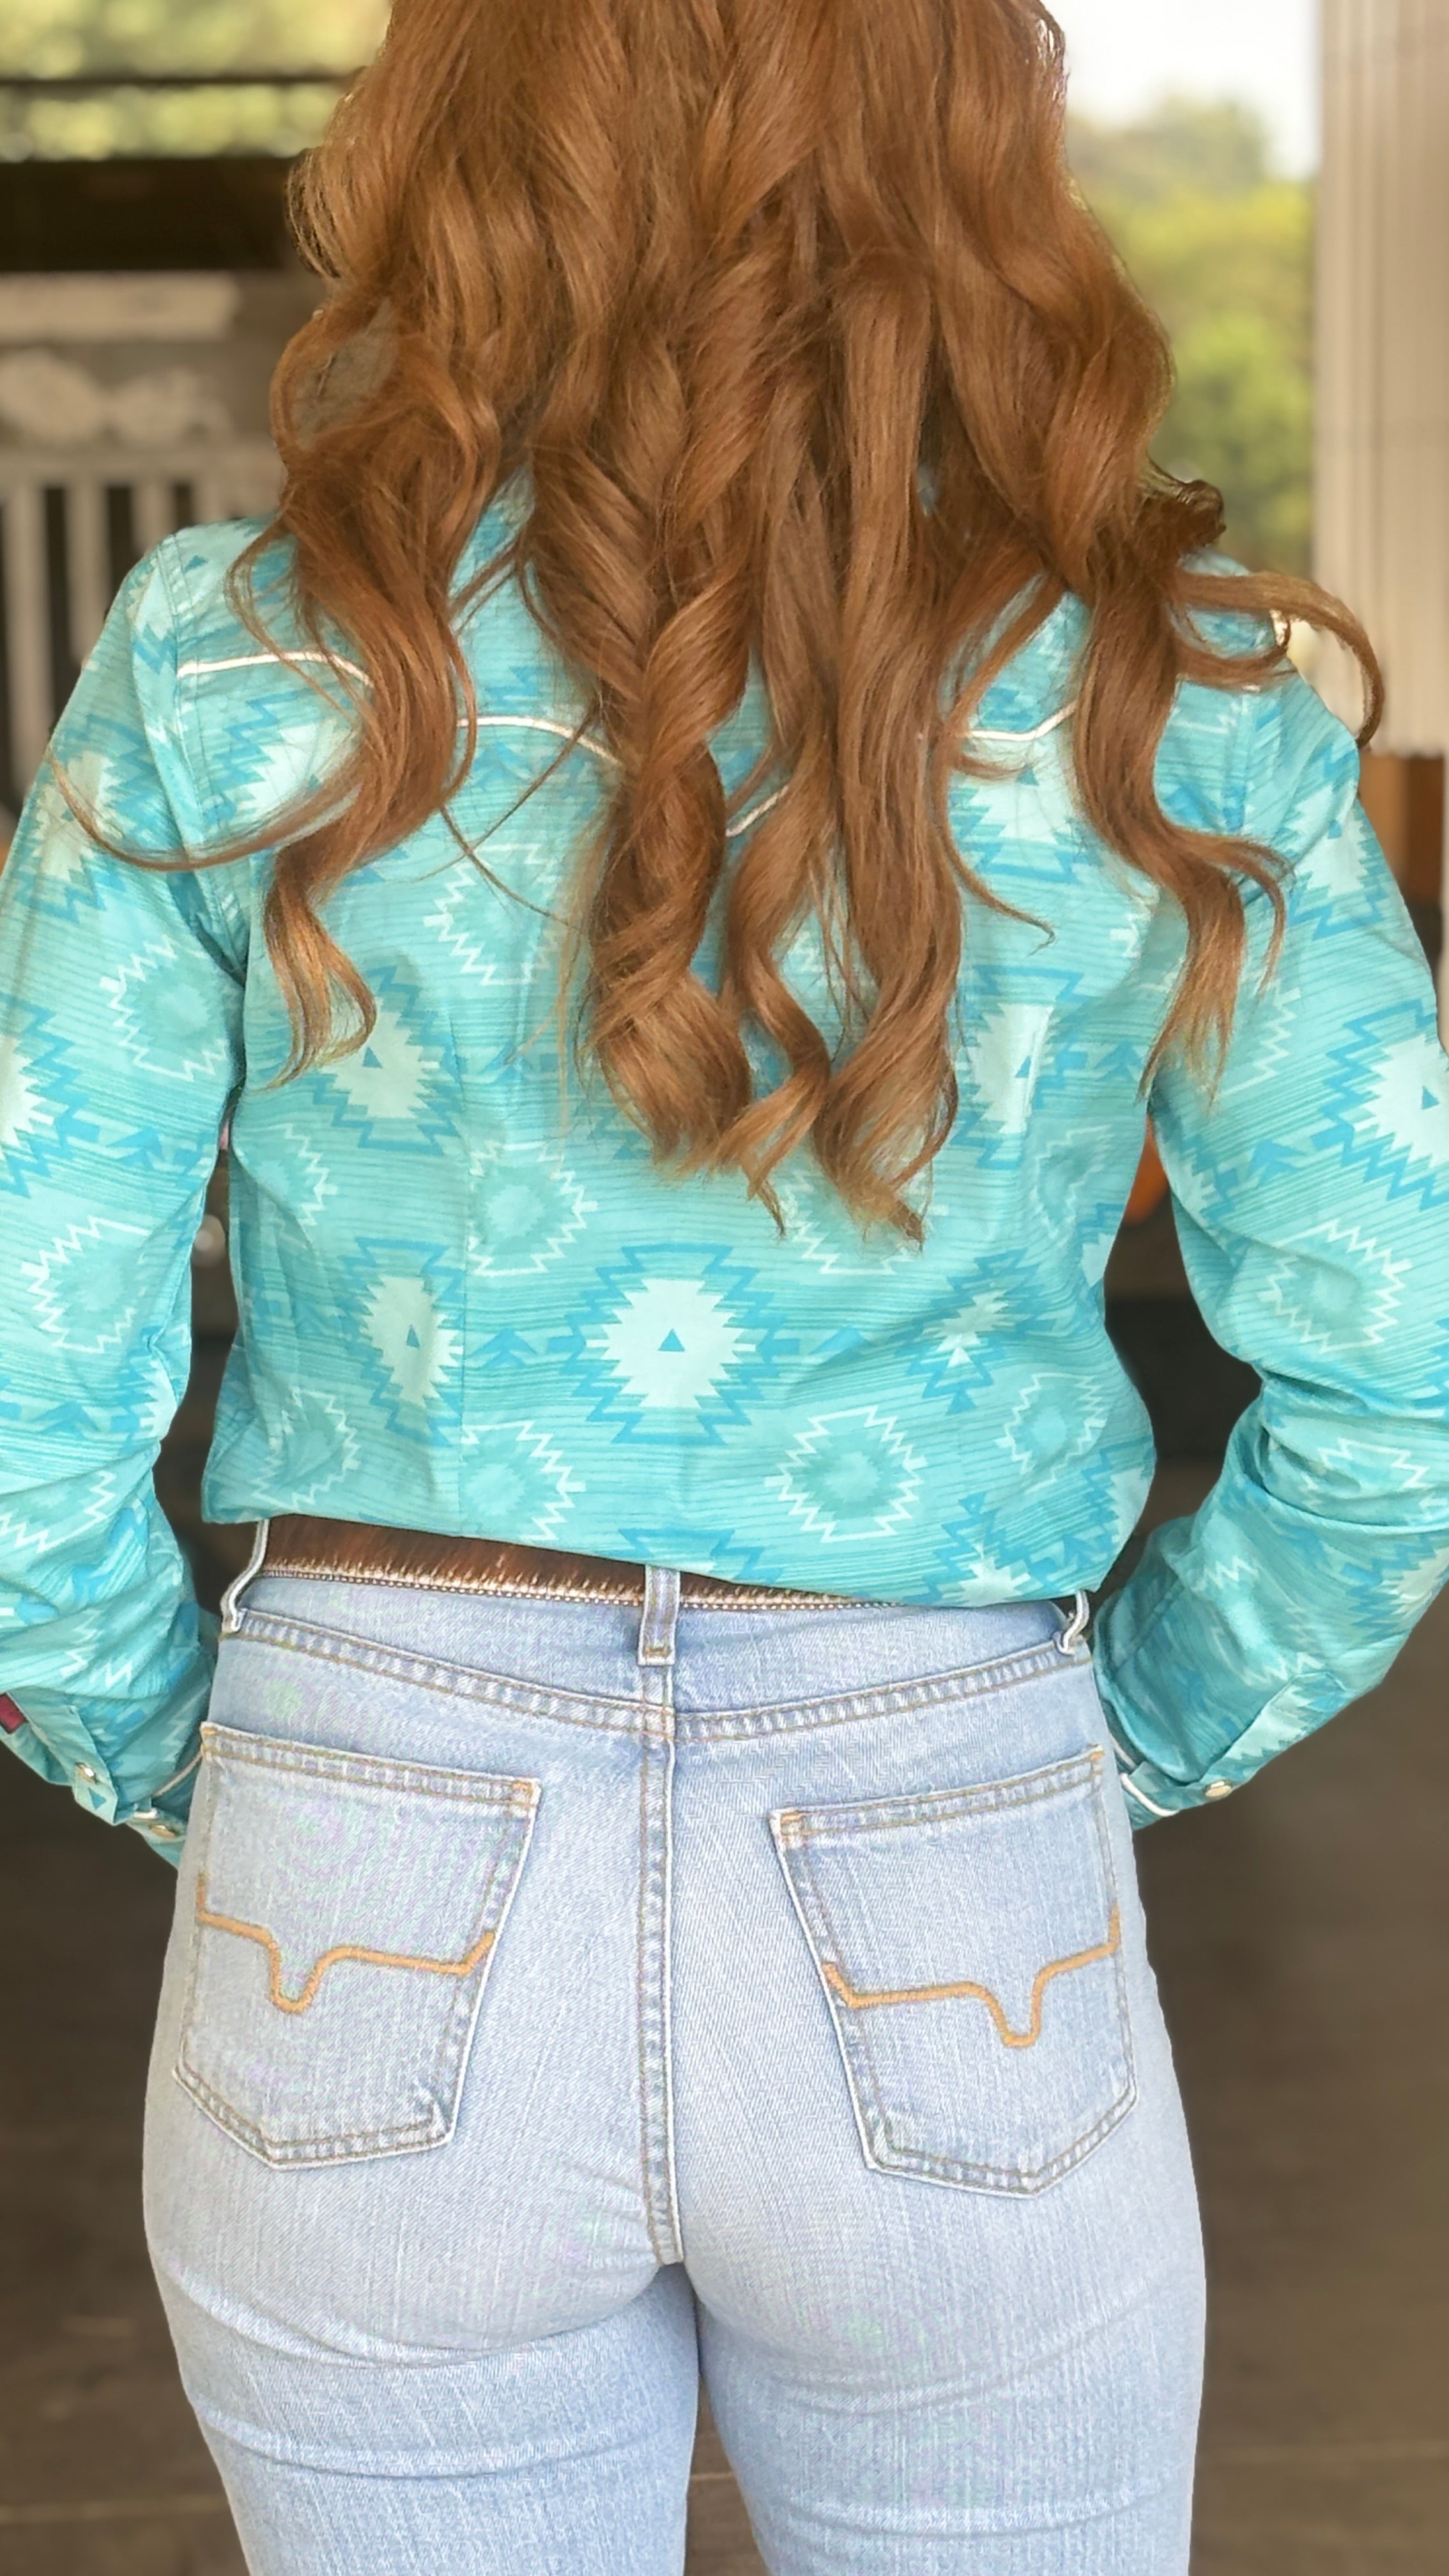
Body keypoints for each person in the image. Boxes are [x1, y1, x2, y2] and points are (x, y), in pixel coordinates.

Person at [2, 4, 1447, 2569]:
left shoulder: (235, 656)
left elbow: (17, 1380)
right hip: (944, 1799)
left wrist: (195, 1760)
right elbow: (1404, 1381)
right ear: (979, 151)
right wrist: (1109, 1744)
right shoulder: (1169, 695)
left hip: (361, 1811)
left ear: (453, 150)